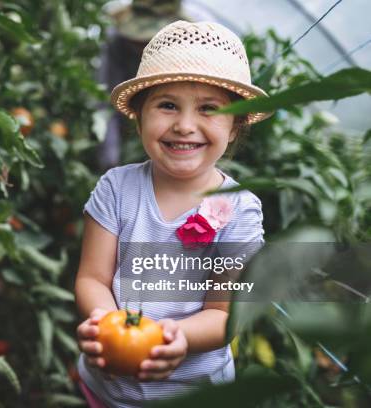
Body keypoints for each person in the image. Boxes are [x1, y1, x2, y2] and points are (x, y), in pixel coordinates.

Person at [75, 20, 271, 407]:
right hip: (110, 389)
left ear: (235, 127)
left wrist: (178, 338)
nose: (184, 126)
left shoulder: (241, 210)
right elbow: (92, 278)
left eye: (209, 109)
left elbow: (221, 314)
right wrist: (106, 326)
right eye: (167, 105)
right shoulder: (116, 188)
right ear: (139, 114)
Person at [97, 0, 190, 170]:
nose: (140, 45)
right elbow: (107, 99)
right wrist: (110, 154)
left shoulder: (189, 43)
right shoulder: (117, 42)